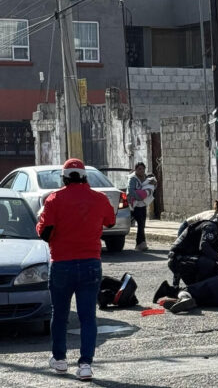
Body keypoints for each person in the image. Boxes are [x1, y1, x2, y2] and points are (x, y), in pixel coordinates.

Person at [36, 158, 116, 381]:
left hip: (62, 264)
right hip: (91, 263)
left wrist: (39, 220)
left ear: (63, 177)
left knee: (59, 314)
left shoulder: (54, 199)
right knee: (88, 317)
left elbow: (44, 233)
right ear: (84, 176)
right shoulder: (98, 199)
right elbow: (110, 221)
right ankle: (85, 365)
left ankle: (60, 360)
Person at [167, 205, 218, 287]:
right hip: (177, 259)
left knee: (216, 276)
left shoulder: (214, 229)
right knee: (208, 264)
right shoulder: (210, 226)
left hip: (183, 259)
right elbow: (204, 246)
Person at [127, 161, 156, 251]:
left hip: (142, 205)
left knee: (142, 225)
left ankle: (141, 243)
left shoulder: (146, 178)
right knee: (140, 224)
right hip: (135, 205)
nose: (141, 170)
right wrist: (139, 197)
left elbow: (152, 185)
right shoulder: (132, 179)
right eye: (139, 169)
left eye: (143, 169)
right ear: (136, 170)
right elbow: (130, 191)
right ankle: (140, 244)